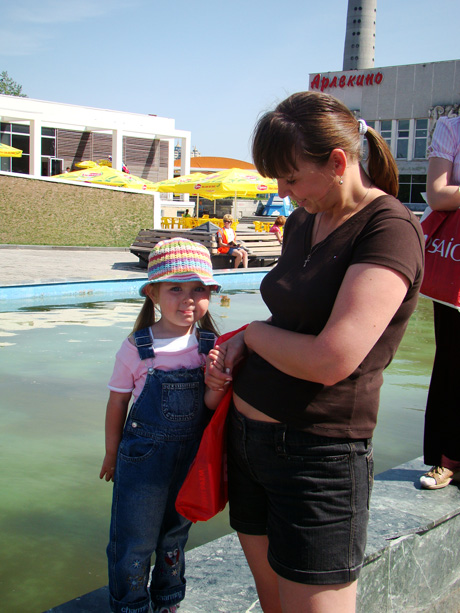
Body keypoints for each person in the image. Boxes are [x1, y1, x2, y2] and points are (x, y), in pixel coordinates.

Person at [205, 91, 424, 613]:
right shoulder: (306, 218)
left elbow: (333, 358)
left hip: (318, 453)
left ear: (339, 162)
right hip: (249, 438)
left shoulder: (389, 229)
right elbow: (293, 318)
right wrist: (237, 348)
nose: (282, 192)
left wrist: (252, 335)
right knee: (273, 602)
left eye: (291, 177)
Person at [100, 237, 226, 613]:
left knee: (173, 537)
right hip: (142, 460)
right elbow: (118, 400)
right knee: (133, 539)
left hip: (190, 459)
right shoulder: (137, 346)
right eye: (175, 288)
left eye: (198, 289)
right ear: (153, 293)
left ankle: (168, 600)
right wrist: (111, 452)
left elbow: (209, 407)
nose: (188, 298)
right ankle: (131, 604)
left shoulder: (210, 344)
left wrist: (217, 385)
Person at [419, 115, 460, 490]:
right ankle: (448, 457)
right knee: (453, 359)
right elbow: (437, 193)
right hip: (457, 262)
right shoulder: (452, 127)